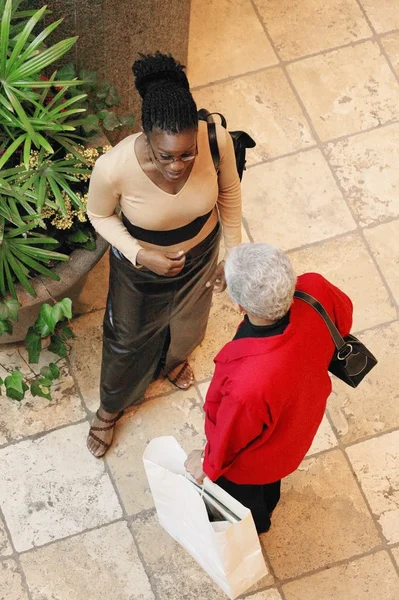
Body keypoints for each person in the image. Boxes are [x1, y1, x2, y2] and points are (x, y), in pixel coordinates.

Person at [86, 52, 241, 457]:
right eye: (164, 155)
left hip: (202, 251)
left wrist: (234, 253)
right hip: (140, 268)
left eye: (186, 154)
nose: (177, 166)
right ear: (146, 135)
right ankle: (110, 407)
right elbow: (98, 215)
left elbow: (229, 192)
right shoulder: (113, 167)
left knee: (190, 316)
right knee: (127, 336)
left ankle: (172, 359)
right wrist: (139, 255)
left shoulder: (215, 139)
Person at [185, 243, 353, 534]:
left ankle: (256, 527)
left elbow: (230, 440)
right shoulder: (315, 287)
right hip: (300, 418)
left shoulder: (247, 383)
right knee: (270, 482)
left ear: (240, 306)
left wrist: (205, 465)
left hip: (256, 456)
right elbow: (343, 319)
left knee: (245, 498)